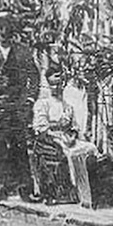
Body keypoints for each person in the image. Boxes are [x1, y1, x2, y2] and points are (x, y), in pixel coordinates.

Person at [0, 15, 39, 201]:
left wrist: (29, 100)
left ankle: (25, 189)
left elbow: (34, 77)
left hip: (17, 107)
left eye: (7, 27)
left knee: (19, 147)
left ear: (12, 29)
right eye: (0, 28)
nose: (3, 32)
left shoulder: (23, 51)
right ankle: (0, 189)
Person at [31, 70, 99, 201]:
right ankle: (73, 188)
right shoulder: (43, 104)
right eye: (53, 84)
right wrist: (56, 136)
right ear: (48, 85)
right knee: (67, 152)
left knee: (90, 147)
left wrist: (72, 135)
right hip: (50, 140)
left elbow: (74, 126)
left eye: (59, 84)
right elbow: (41, 128)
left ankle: (88, 187)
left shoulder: (67, 106)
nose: (57, 87)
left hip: (67, 138)